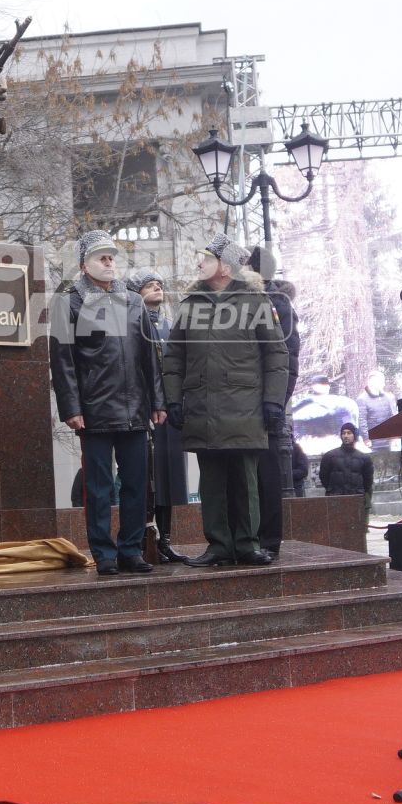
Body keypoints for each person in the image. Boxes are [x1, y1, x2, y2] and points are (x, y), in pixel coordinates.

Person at [161, 236, 288, 567]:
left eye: (206, 258)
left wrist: (274, 402)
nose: (200, 263)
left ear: (225, 266)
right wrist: (174, 400)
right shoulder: (190, 305)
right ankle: (218, 544)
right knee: (212, 480)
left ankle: (246, 543)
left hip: (246, 406)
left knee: (246, 480)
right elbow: (173, 357)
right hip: (203, 407)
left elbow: (276, 355)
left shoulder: (256, 302)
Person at [51, 231, 166, 576]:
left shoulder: (133, 301)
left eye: (112, 257)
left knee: (136, 484)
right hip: (95, 411)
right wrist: (71, 407)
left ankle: (130, 550)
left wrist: (158, 401)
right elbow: (63, 359)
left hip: (135, 410)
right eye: (102, 257)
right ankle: (103, 553)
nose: (109, 262)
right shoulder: (69, 301)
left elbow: (150, 356)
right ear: (85, 264)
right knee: (99, 488)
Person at [128, 267, 190, 562]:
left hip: (169, 412)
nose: (157, 288)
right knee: (145, 479)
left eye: (159, 284)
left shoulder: (169, 325)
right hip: (143, 410)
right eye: (149, 285)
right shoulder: (131, 324)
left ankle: (164, 539)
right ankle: (143, 539)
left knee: (169, 480)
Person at [249, 247, 301, 554]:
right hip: (240, 400)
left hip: (268, 401)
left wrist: (277, 401)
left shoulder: (278, 303)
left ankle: (268, 540)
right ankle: (246, 538)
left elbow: (287, 358)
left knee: (268, 473)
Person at [318, 422, 374, 506]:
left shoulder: (364, 458)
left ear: (354, 435)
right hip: (335, 500)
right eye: (343, 433)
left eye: (349, 433)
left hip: (356, 500)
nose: (346, 436)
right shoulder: (329, 456)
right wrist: (332, 490)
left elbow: (368, 481)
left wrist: (360, 492)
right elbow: (323, 477)